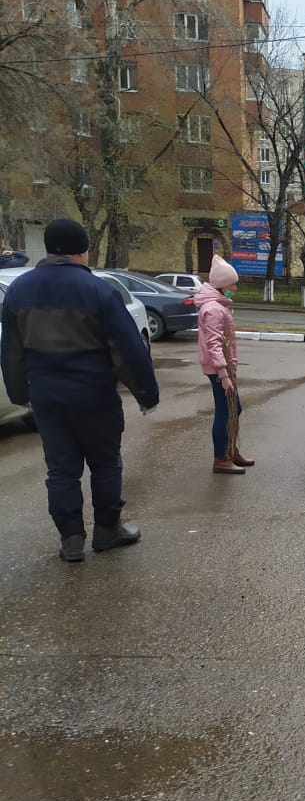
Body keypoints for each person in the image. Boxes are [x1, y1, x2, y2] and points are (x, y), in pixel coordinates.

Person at [0, 216, 158, 562]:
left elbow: (10, 349)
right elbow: (127, 348)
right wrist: (146, 394)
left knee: (61, 470)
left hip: (47, 397)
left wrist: (18, 393)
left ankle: (71, 539)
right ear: (82, 251)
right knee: (105, 463)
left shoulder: (19, 290)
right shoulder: (98, 290)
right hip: (94, 395)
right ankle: (107, 530)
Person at [196, 254, 252, 475]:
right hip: (219, 369)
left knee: (234, 408)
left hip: (224, 367)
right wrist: (224, 375)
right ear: (221, 284)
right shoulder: (213, 309)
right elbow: (214, 344)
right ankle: (221, 458)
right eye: (233, 284)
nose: (235, 288)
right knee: (226, 411)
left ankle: (230, 451)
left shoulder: (219, 305)